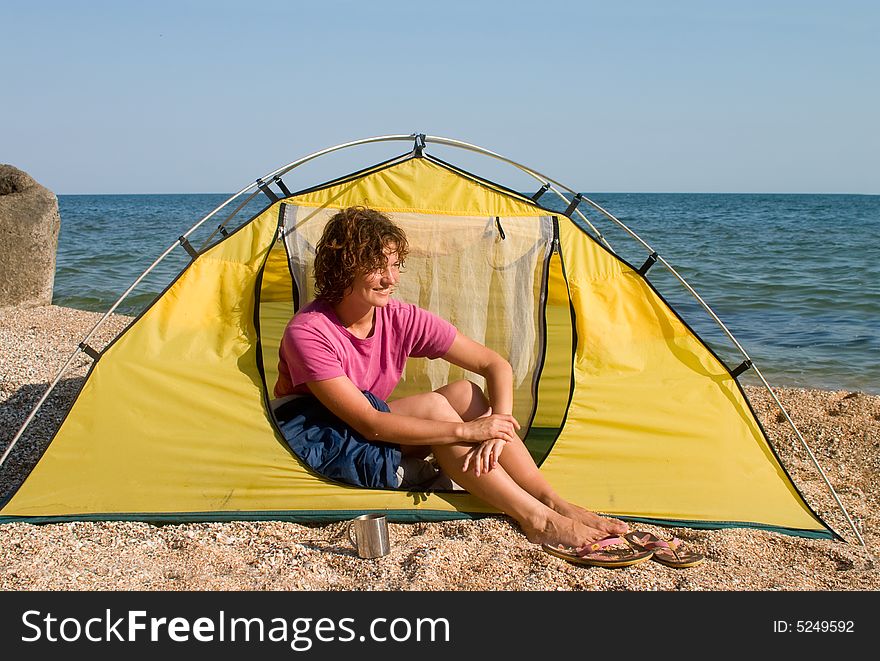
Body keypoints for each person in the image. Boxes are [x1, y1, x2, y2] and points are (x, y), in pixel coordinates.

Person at [273, 206, 627, 551]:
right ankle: (537, 520)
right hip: (323, 438)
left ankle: (553, 501)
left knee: (465, 393)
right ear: (344, 268)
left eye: (395, 265)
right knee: (437, 408)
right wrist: (468, 431)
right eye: (377, 267)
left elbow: (494, 364)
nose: (392, 279)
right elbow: (370, 424)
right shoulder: (309, 332)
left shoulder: (399, 317)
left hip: (365, 423)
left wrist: (498, 428)